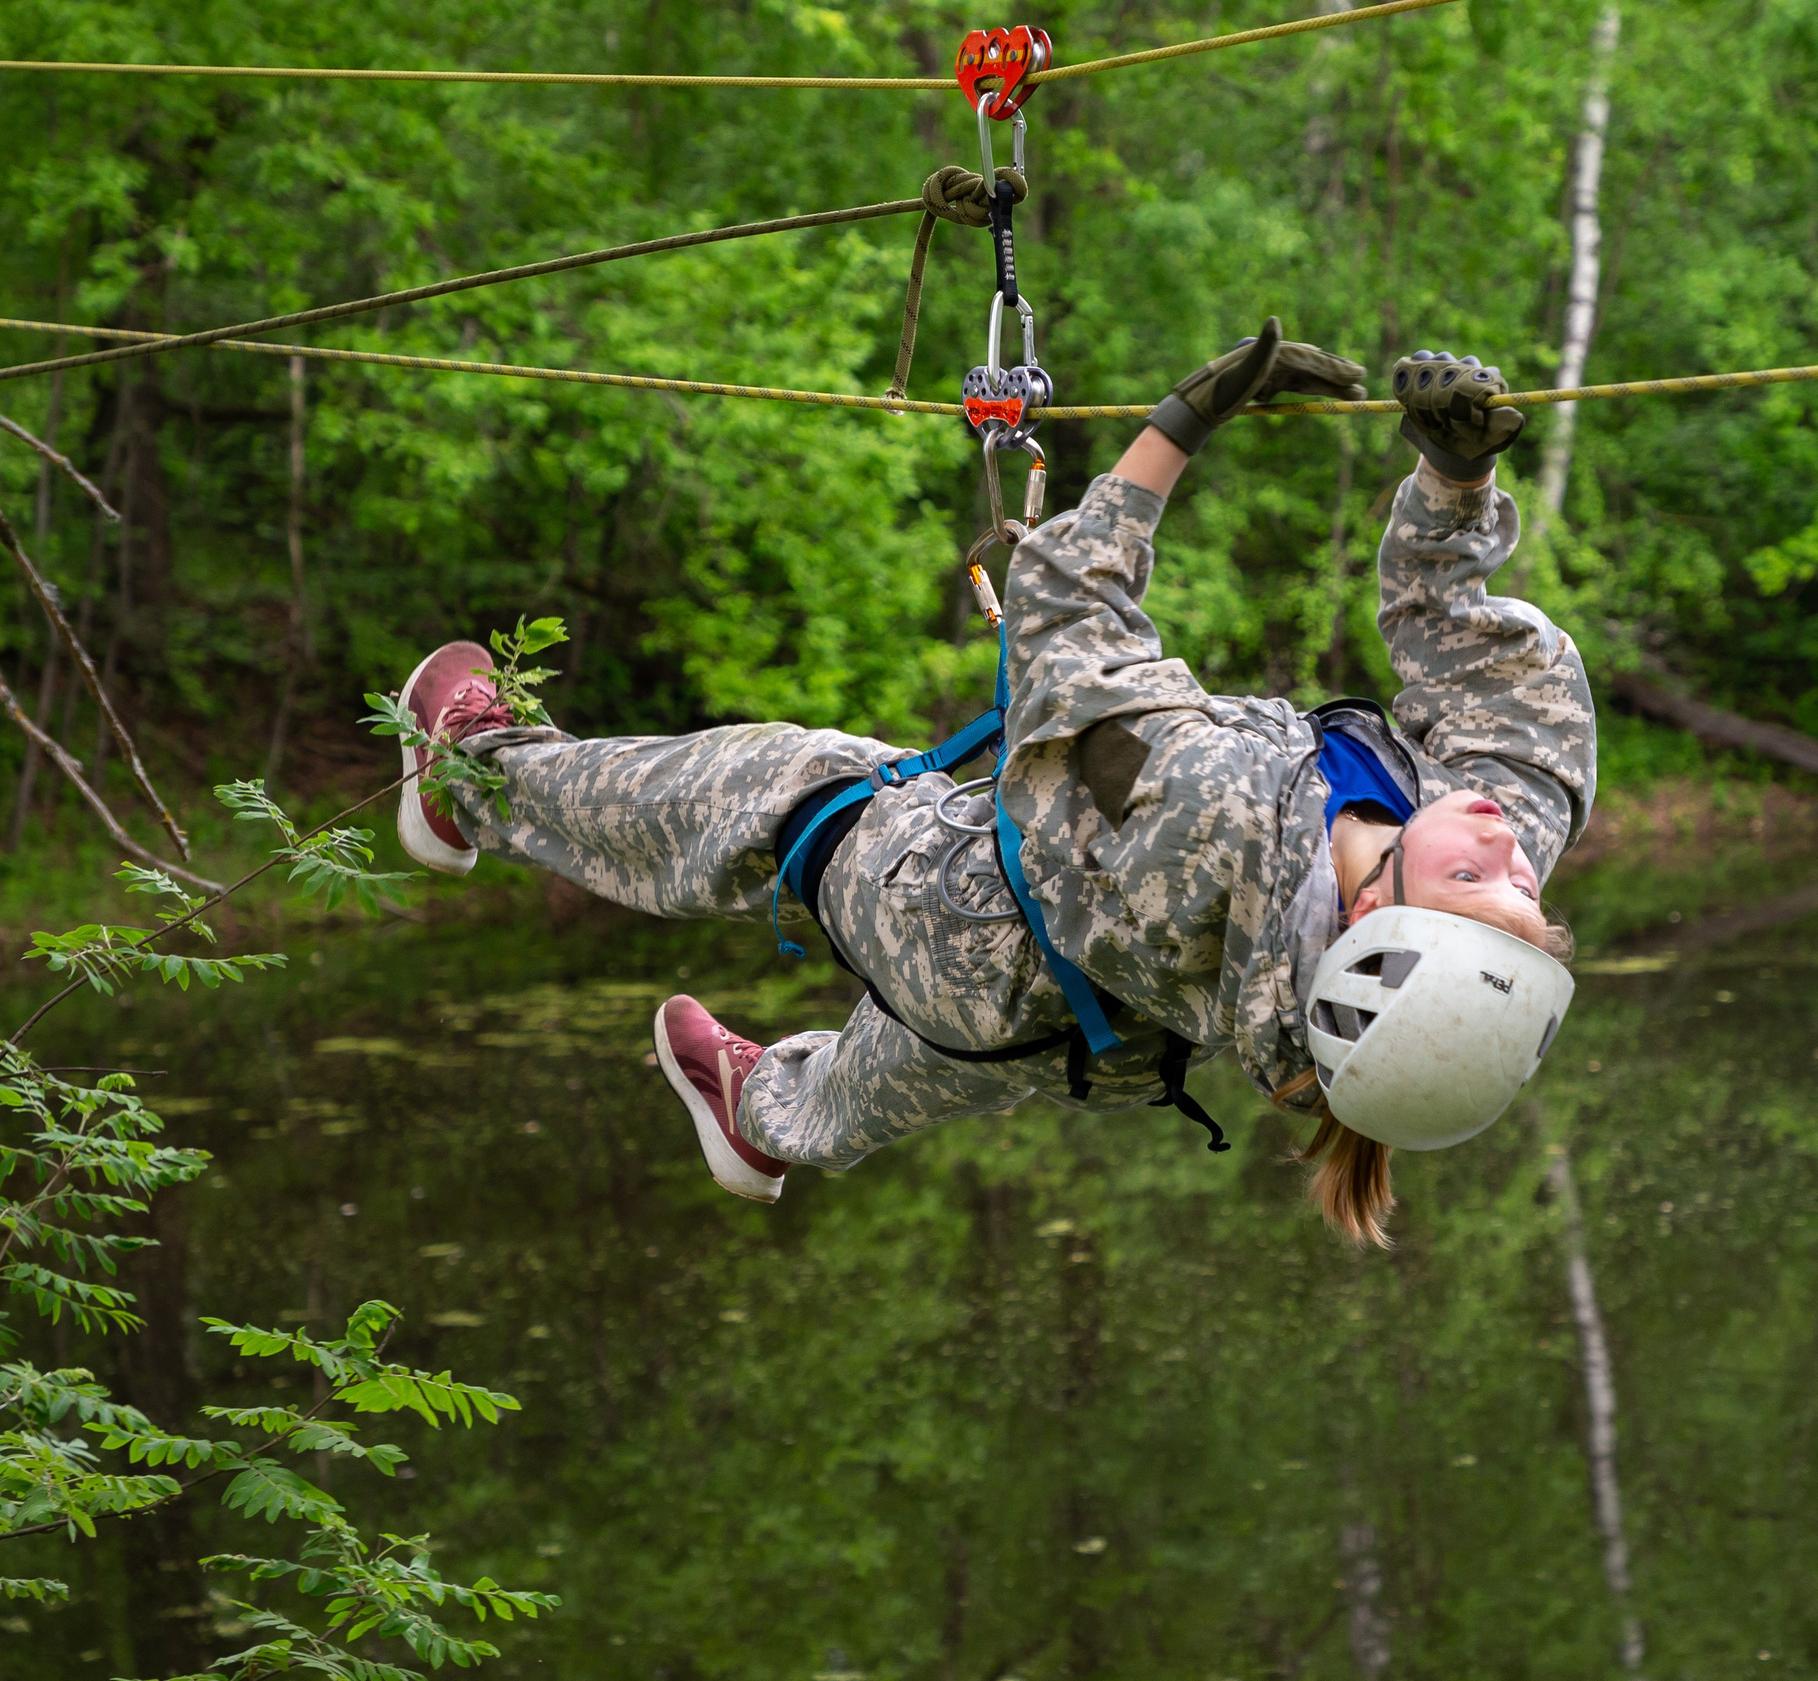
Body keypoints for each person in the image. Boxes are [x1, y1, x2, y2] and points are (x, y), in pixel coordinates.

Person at [390, 325, 1595, 1245]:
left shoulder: (1207, 814)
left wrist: (1182, 421)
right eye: (1527, 891)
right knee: (882, 1080)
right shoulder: (1481, 832)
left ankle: (464, 782)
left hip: (948, 910)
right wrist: (1452, 492)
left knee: (770, 791)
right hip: (1081, 1036)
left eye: (1472, 876)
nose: (1502, 840)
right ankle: (759, 1121)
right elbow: (1493, 681)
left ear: (1371, 914)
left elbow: (1068, 613)